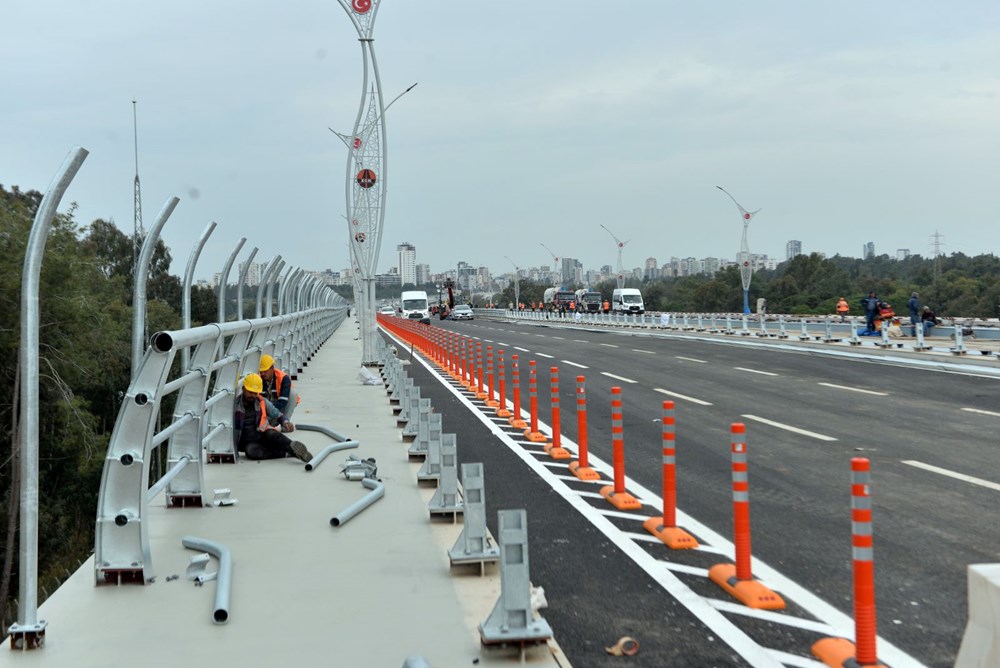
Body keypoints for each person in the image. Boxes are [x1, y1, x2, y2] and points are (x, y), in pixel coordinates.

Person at [234, 373, 312, 462]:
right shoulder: (234, 406)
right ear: (243, 389)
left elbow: (277, 413)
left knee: (272, 434)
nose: (253, 395)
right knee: (250, 452)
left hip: (262, 435)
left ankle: (294, 447)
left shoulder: (261, 401)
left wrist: (285, 422)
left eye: (255, 393)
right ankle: (287, 453)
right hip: (248, 443)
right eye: (250, 392)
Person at [259, 354, 300, 423]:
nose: (262, 374)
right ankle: (271, 421)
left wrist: (276, 414)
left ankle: (285, 421)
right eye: (261, 371)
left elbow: (282, 402)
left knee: (293, 394)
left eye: (265, 371)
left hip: (279, 405)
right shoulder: (259, 379)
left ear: (272, 368)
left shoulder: (283, 378)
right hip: (266, 408)